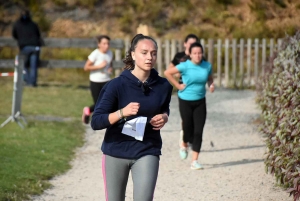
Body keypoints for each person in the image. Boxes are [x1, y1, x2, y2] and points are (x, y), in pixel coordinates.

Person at [91, 34, 173, 201]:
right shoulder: (116, 85)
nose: (149, 57)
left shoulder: (163, 86)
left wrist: (164, 117)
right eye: (144, 52)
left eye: (153, 53)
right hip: (116, 151)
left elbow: (164, 108)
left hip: (147, 150)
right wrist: (121, 112)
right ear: (133, 54)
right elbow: (96, 121)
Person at [164, 42, 214, 170]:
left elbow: (209, 78)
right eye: (195, 53)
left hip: (200, 101)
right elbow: (167, 73)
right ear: (190, 54)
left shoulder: (207, 66)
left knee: (198, 130)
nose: (198, 55)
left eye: (200, 53)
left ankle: (194, 161)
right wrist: (178, 85)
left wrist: (211, 84)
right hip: (185, 100)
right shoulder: (185, 66)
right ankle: (184, 143)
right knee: (187, 126)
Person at [167, 34, 199, 148]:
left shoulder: (197, 56)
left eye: (194, 43)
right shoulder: (179, 56)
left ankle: (189, 137)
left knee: (196, 117)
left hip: (196, 90)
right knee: (186, 117)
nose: (191, 45)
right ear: (185, 44)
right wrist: (176, 73)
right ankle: (184, 135)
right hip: (184, 89)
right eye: (190, 43)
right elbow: (169, 69)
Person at [82, 35, 113, 124]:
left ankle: (104, 121)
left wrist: (110, 69)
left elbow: (110, 64)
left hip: (106, 80)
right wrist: (99, 66)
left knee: (108, 102)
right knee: (98, 104)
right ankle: (87, 111)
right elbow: (86, 67)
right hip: (95, 81)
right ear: (99, 44)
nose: (106, 46)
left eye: (108, 43)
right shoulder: (95, 54)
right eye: (104, 43)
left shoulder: (110, 53)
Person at [12, 9, 43, 87]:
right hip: (35, 47)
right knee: (33, 66)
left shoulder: (17, 24)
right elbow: (38, 34)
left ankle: (28, 81)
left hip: (25, 47)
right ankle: (32, 82)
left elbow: (14, 35)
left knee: (21, 65)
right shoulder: (33, 24)